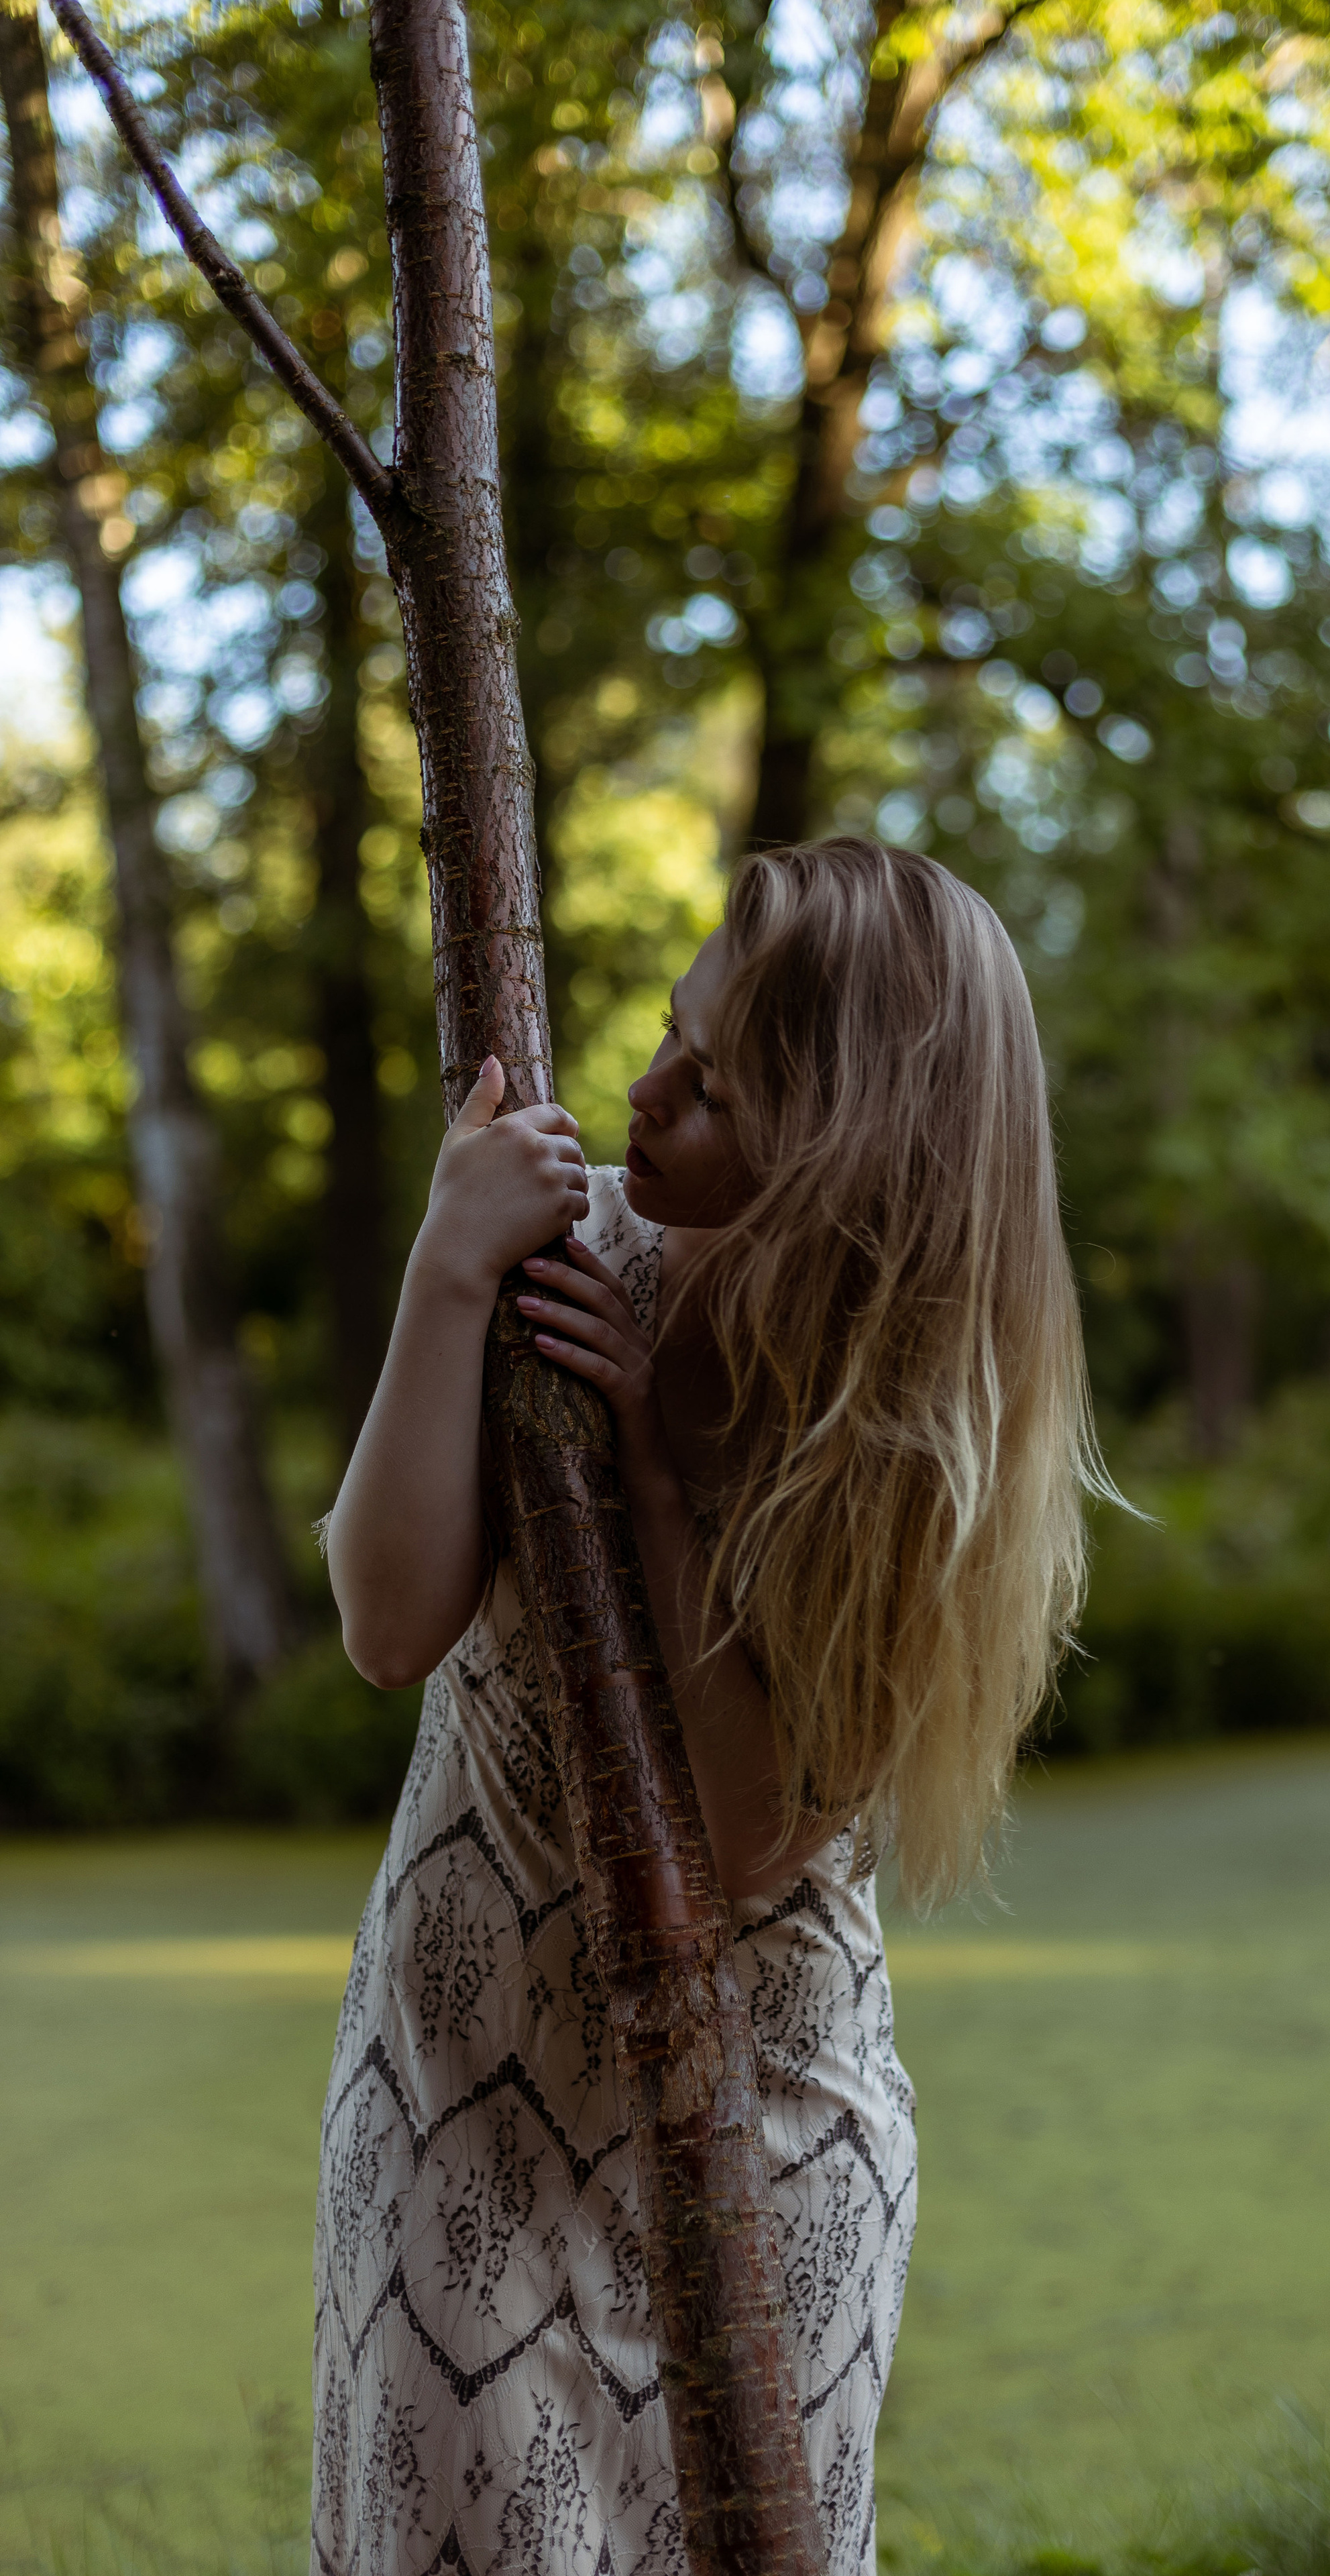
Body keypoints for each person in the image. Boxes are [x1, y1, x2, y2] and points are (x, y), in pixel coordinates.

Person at [312, 836, 1107, 2576]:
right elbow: (386, 1623)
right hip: (465, 2107)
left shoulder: (903, 1455)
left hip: (760, 2139)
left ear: (843, 1160)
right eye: (672, 1028)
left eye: (714, 1083)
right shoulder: (555, 1244)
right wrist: (452, 1270)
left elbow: (739, 1842)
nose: (644, 1085)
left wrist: (653, 1477)